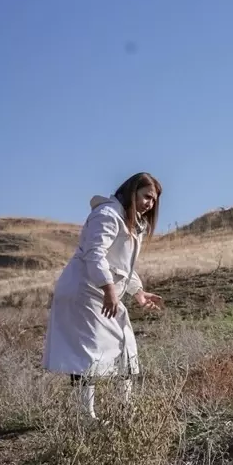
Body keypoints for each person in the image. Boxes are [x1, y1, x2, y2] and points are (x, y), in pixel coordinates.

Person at [42, 173, 165, 421]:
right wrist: (108, 288)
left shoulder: (132, 222)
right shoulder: (107, 215)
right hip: (84, 291)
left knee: (125, 344)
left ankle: (126, 410)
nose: (149, 204)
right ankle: (86, 419)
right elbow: (95, 254)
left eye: (154, 200)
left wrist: (138, 292)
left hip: (100, 289)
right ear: (132, 192)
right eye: (146, 197)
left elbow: (120, 264)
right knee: (86, 354)